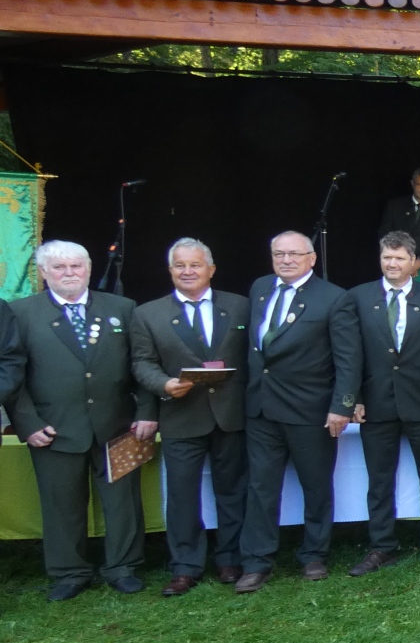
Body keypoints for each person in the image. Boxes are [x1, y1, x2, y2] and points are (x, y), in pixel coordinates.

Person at [5, 241, 151, 600]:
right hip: (53, 429)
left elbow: (143, 363)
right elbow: (12, 373)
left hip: (118, 426)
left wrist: (146, 412)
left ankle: (123, 568)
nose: (69, 273)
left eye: (76, 266)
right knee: (61, 505)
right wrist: (28, 424)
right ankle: (69, 573)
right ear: (43, 273)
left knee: (123, 503)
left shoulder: (122, 308)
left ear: (88, 268)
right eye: (59, 267)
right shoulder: (20, 312)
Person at [237, 231, 357, 592]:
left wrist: (342, 407)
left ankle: (314, 555)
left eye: (294, 254)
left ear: (312, 258)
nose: (286, 260)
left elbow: (348, 359)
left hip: (311, 411)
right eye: (279, 254)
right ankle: (256, 562)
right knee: (260, 487)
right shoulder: (260, 288)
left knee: (316, 486)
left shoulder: (334, 298)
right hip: (261, 408)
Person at [129, 238, 250, 595]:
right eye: (180, 265)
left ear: (211, 269)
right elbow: (142, 362)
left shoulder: (241, 306)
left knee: (233, 490)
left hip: (231, 415)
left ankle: (231, 559)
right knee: (182, 495)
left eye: (195, 265)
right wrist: (164, 384)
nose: (187, 271)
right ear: (170, 271)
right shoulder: (147, 314)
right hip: (181, 415)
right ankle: (185, 566)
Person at [344, 232, 420, 575]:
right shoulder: (358, 297)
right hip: (375, 405)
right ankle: (382, 546)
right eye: (387, 257)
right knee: (379, 481)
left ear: (413, 262)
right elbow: (350, 354)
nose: (392, 264)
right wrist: (354, 399)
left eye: (399, 258)